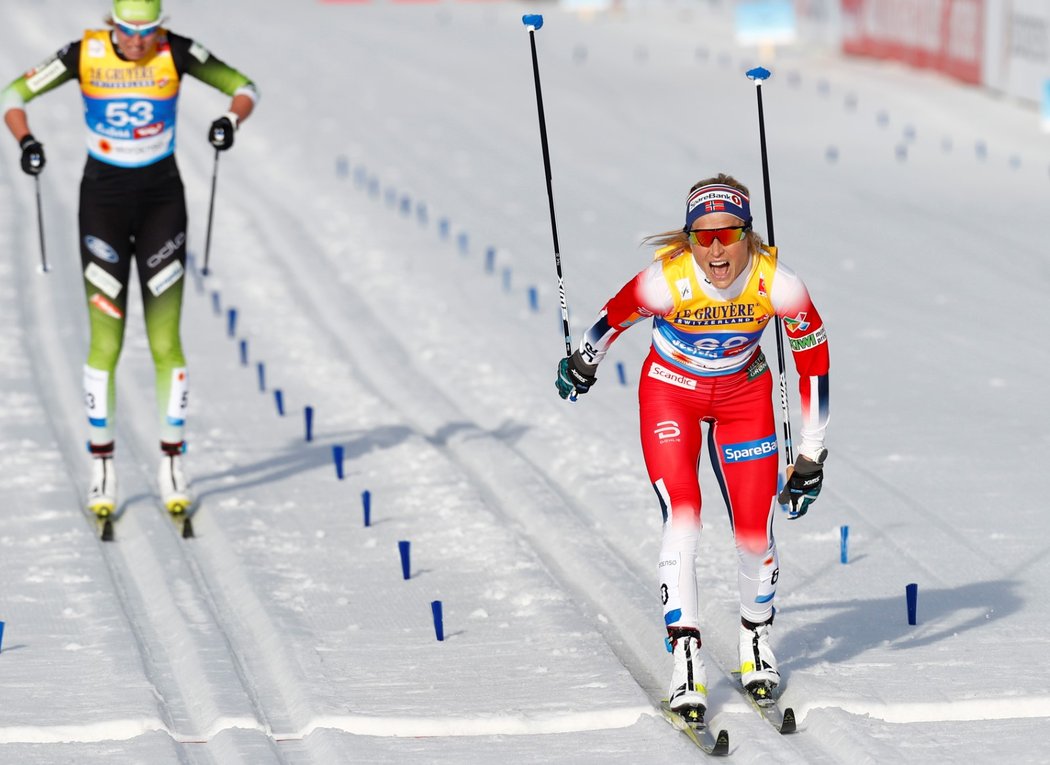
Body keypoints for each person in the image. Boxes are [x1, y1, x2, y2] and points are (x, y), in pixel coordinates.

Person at [556, 174, 829, 722]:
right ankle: (685, 657)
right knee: (684, 516)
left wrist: (811, 455)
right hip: (671, 396)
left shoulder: (779, 284)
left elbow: (813, 366)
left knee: (754, 531)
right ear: (688, 241)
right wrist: (583, 360)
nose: (716, 249)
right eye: (702, 238)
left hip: (744, 395)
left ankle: (755, 641)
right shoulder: (667, 282)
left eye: (728, 234)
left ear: (749, 235)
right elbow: (611, 321)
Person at [1, 0, 259, 518]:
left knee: (166, 341)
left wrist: (230, 121)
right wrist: (25, 139)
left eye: (147, 32)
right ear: (111, 25)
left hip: (163, 201)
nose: (138, 42)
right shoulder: (85, 53)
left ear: (160, 28)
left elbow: (245, 87)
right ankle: (102, 467)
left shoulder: (176, 51)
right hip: (103, 205)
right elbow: (13, 94)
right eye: (127, 31)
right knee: (107, 341)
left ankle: (171, 464)